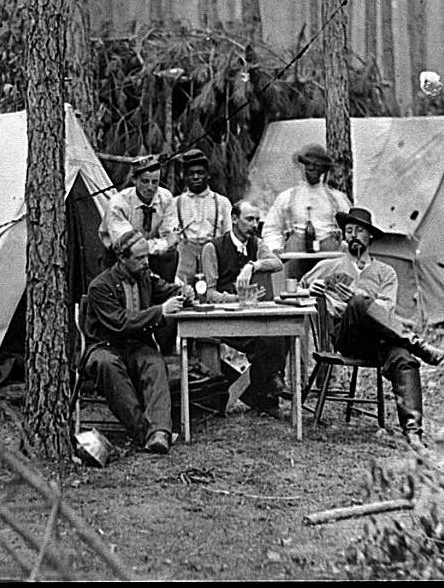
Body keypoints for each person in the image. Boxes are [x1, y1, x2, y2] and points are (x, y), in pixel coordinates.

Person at [298, 207, 444, 449]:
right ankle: (419, 344)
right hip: (346, 338)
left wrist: (360, 296)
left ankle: (413, 433)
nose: (353, 235)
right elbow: (296, 290)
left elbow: (386, 312)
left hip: (379, 341)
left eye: (359, 231)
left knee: (402, 358)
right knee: (357, 303)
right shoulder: (328, 266)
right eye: (349, 231)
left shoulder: (386, 273)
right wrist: (309, 290)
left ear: (371, 237)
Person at [83, 230, 191, 454]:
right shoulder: (100, 286)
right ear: (122, 258)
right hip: (105, 346)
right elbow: (120, 322)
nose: (145, 262)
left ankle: (160, 432)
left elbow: (165, 290)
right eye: (140, 258)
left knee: (154, 362)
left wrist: (183, 292)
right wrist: (161, 311)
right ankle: (144, 433)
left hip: (135, 345)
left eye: (147, 257)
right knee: (107, 366)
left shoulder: (144, 277)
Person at [200, 200, 290, 419]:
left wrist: (252, 266)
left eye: (257, 220)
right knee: (266, 339)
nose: (254, 224)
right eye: (249, 219)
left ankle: (269, 390)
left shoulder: (256, 245)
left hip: (250, 316)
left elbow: (277, 263)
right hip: (224, 319)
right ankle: (270, 391)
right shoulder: (212, 248)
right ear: (233, 219)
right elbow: (208, 293)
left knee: (280, 332)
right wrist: (237, 298)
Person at [262, 143, 352, 280]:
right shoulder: (287, 197)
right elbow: (271, 228)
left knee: (328, 295)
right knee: (297, 294)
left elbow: (352, 228)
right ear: (302, 167)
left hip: (329, 260)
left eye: (317, 165)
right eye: (308, 164)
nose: (312, 168)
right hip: (296, 259)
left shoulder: (337, 199)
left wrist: (345, 246)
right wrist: (275, 248)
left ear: (324, 169)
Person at [98, 155, 179, 283]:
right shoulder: (118, 203)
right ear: (134, 180)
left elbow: (171, 238)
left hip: (152, 256)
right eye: (145, 181)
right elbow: (128, 245)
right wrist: (162, 244)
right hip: (120, 256)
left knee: (170, 255)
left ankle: (166, 294)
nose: (150, 187)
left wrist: (165, 244)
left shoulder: (166, 198)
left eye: (155, 182)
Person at [173, 148, 232, 283]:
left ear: (208, 175)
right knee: (184, 293)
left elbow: (228, 236)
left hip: (213, 255)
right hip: (185, 259)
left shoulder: (222, 202)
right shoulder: (175, 203)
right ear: (184, 176)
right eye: (191, 174)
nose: (195, 177)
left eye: (200, 173)